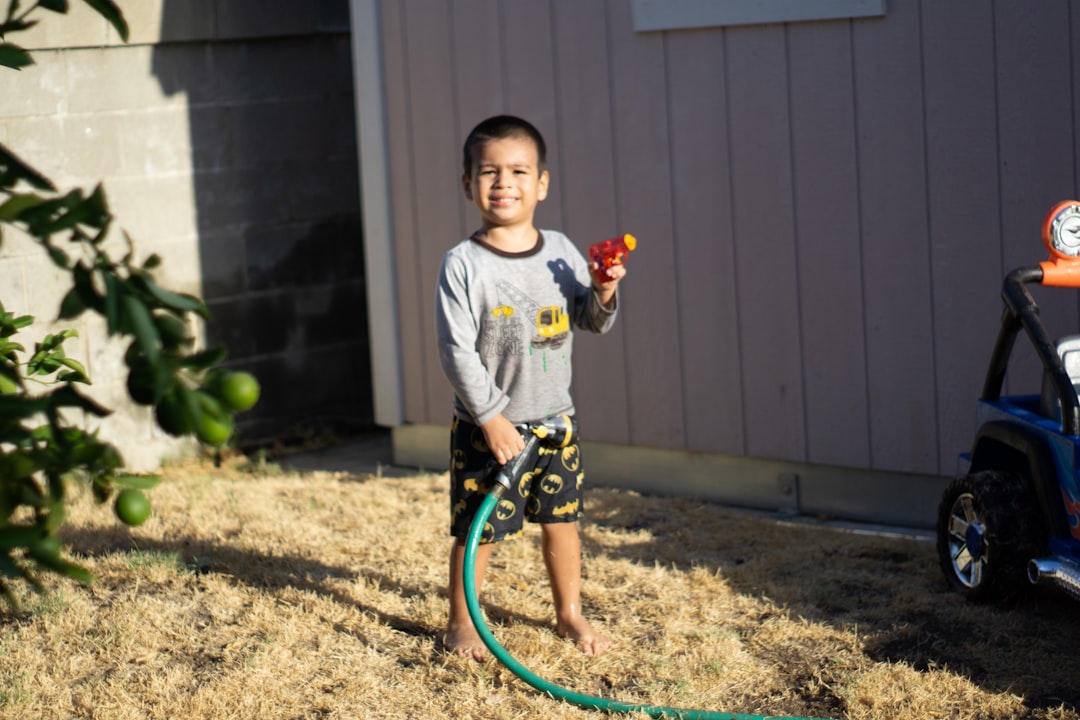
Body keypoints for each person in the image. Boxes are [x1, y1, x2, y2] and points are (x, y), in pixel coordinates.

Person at [435, 115, 624, 661]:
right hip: (487, 427)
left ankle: (568, 613)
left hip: (555, 424)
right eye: (488, 172)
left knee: (562, 523)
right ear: (467, 183)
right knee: (480, 531)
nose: (503, 183)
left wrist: (605, 292)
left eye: (518, 171)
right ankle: (463, 622)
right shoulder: (463, 265)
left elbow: (589, 320)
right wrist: (492, 419)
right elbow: (455, 351)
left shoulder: (561, 250)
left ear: (541, 183)